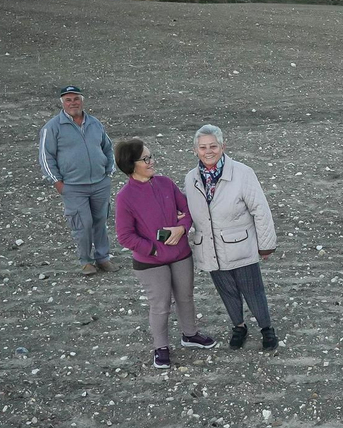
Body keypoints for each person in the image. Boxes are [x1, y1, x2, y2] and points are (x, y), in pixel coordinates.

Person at [114, 138, 217, 368]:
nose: (151, 161)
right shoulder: (124, 197)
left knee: (186, 297)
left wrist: (182, 228)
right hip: (150, 263)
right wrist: (153, 249)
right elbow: (125, 236)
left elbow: (188, 210)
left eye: (151, 156)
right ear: (131, 164)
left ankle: (190, 334)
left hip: (180, 254)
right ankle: (161, 347)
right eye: (145, 159)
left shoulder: (165, 183)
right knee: (160, 305)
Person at [182, 125, 281, 353]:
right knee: (227, 291)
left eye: (213, 146)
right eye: (203, 147)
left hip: (241, 245)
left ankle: (267, 329)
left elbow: (260, 209)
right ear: (195, 150)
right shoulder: (190, 178)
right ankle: (239, 327)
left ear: (223, 147)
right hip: (210, 248)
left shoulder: (243, 173)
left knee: (253, 291)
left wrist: (266, 245)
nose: (208, 151)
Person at [39, 86, 116, 275]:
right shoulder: (52, 127)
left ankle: (103, 258)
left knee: (100, 221)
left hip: (100, 183)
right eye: (68, 100)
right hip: (73, 186)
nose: (73, 103)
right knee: (83, 224)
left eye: (76, 99)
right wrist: (57, 182)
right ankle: (85, 261)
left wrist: (109, 171)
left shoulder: (95, 123)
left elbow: (107, 147)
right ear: (62, 103)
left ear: (82, 101)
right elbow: (46, 157)